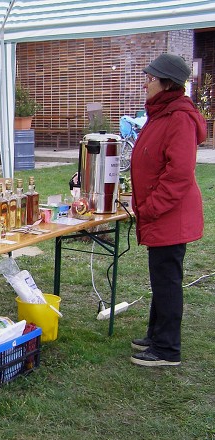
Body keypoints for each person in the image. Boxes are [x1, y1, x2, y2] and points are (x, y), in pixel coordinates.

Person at [129, 53, 207, 367]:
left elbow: (179, 174)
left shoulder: (179, 118)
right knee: (161, 277)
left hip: (170, 215)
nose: (146, 83)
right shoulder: (162, 112)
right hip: (162, 214)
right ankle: (156, 334)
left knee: (167, 280)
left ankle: (167, 349)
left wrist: (150, 208)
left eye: (151, 78)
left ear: (167, 83)